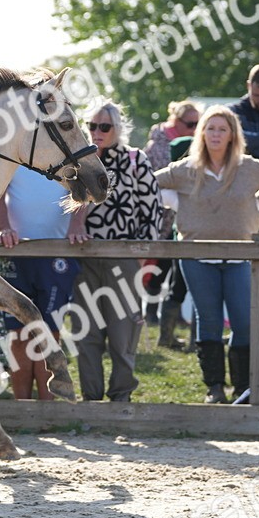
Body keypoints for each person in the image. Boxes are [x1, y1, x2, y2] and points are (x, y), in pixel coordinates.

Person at [155, 106, 259, 404]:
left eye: (222, 129)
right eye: (210, 128)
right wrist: (175, 203)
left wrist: (256, 205)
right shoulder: (187, 168)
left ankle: (243, 388)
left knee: (243, 322)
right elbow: (151, 183)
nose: (215, 134)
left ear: (232, 135)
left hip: (240, 255)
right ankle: (214, 387)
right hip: (197, 256)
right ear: (201, 132)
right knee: (209, 319)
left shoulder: (248, 167)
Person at [67, 101, 161, 402]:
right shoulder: (75, 162)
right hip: (86, 256)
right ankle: (91, 399)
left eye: (104, 127)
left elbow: (152, 211)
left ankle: (121, 397)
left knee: (123, 334)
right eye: (92, 126)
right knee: (87, 333)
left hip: (125, 256)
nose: (97, 132)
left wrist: (142, 258)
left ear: (118, 129)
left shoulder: (136, 159)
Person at [0, 167, 78, 400]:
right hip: (16, 251)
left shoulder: (68, 152)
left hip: (57, 253)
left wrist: (76, 227)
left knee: (49, 333)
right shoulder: (16, 151)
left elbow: (85, 192)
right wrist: (3, 226)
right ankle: (23, 406)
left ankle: (47, 408)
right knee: (18, 334)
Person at [143, 100, 201, 347]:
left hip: (181, 219)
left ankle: (171, 320)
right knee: (159, 268)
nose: (194, 128)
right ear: (176, 122)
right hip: (160, 216)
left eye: (198, 124)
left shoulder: (195, 144)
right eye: (190, 124)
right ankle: (152, 314)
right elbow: (151, 183)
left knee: (174, 272)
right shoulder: (158, 147)